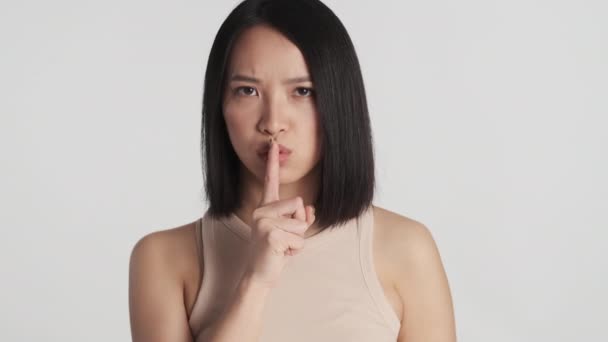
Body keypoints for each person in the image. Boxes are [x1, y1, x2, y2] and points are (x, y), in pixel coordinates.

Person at [128, 0, 456, 341]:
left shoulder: (406, 249)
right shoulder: (163, 258)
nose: (272, 122)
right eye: (247, 90)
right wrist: (256, 282)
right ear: (219, 106)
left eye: (302, 91)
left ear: (339, 102)